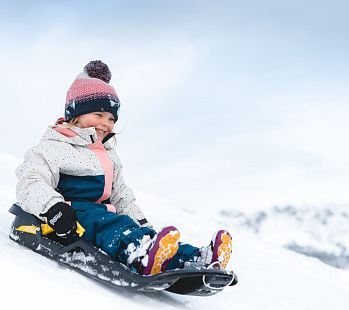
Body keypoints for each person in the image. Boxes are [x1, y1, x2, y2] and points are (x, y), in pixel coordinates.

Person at [15, 60, 232, 275]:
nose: (105, 123)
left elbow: (121, 196)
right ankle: (141, 256)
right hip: (69, 219)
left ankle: (196, 257)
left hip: (103, 217)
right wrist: (54, 210)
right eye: (98, 115)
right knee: (113, 227)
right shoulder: (53, 147)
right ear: (76, 115)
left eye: (111, 118)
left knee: (130, 228)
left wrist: (142, 224)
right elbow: (31, 181)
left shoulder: (107, 155)